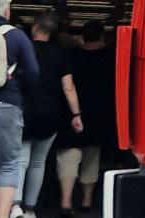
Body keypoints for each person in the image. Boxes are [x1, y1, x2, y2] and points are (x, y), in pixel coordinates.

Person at [11, 12, 83, 218]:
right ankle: (31, 208)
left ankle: (16, 206)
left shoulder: (23, 50)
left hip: (25, 111)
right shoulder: (61, 54)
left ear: (35, 26)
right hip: (51, 114)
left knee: (20, 160)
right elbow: (68, 88)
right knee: (38, 162)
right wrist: (76, 114)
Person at [0, 0, 39, 218]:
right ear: (6, 11)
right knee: (8, 164)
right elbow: (34, 73)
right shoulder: (17, 36)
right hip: (7, 105)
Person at [56, 21, 113, 216]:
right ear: (101, 37)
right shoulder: (109, 58)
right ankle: (87, 200)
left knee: (69, 155)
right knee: (92, 156)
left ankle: (66, 201)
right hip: (99, 114)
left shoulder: (71, 57)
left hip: (72, 112)